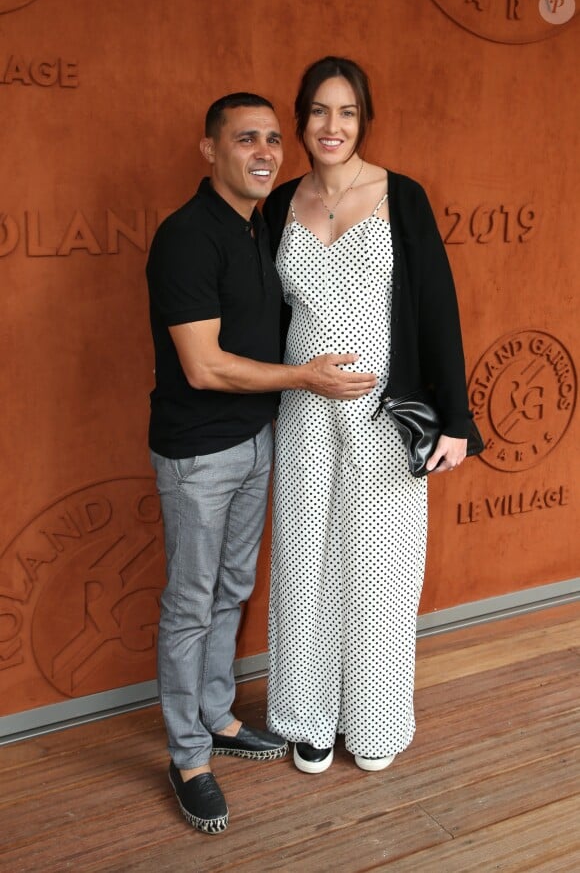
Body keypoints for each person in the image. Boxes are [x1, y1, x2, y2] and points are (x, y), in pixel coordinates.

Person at [146, 91, 376, 834]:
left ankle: (215, 716)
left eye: (274, 139)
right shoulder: (187, 236)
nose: (265, 152)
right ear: (209, 149)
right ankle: (187, 757)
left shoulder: (257, 227)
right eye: (246, 138)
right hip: (198, 453)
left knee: (231, 589)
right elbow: (205, 366)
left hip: (256, 439)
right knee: (190, 603)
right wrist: (307, 378)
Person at [263, 57, 473, 776]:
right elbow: (266, 315)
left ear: (364, 120)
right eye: (319, 111)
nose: (331, 126)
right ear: (301, 120)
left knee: (382, 566)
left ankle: (374, 716)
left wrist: (457, 420)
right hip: (301, 411)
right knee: (304, 562)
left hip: (386, 411)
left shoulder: (401, 197)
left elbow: (439, 310)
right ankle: (306, 715)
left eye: (346, 112)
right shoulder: (280, 202)